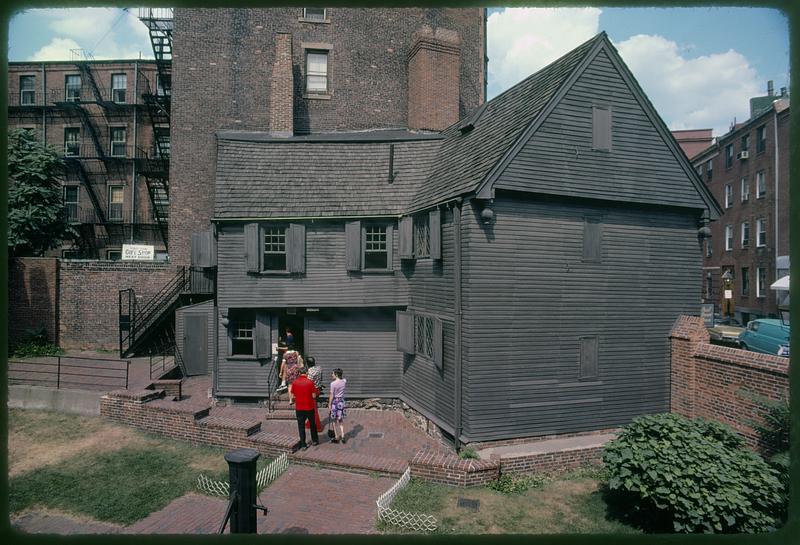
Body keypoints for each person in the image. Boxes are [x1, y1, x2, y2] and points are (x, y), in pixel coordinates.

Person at [291, 368, 319, 450]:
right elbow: (314, 396)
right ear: (306, 373)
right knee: (312, 424)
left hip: (299, 408)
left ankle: (303, 444)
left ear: (299, 373)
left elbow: (293, 396)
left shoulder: (295, 382)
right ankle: (314, 440)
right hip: (309, 407)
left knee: (301, 426)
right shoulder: (310, 382)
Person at [304, 356, 324, 433]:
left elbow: (308, 383)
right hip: (318, 389)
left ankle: (317, 426)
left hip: (312, 391)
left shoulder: (310, 371)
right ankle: (309, 422)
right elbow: (320, 379)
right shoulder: (319, 368)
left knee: (313, 408)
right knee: (312, 407)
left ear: (307, 364)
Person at [328, 368, 347, 444]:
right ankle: (343, 435)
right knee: (340, 419)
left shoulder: (333, 384)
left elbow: (331, 395)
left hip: (335, 403)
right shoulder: (344, 381)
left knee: (334, 420)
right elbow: (344, 379)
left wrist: (329, 404)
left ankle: (336, 436)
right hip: (341, 402)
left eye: (332, 374)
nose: (331, 375)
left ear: (336, 374)